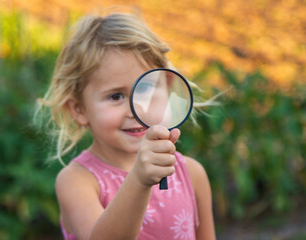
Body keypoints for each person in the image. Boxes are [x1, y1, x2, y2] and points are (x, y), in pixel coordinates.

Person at [36, 12, 216, 240]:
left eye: (145, 88)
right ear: (79, 110)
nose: (135, 110)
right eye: (115, 96)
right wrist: (139, 180)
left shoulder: (191, 174)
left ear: (168, 86)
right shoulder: (78, 181)